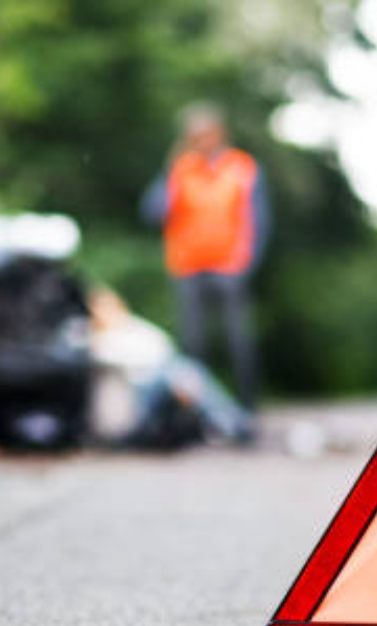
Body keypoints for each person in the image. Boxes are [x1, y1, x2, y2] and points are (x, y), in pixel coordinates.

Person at [140, 103, 270, 410]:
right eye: (195, 136)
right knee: (193, 345)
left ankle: (247, 410)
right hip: (188, 267)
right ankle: (199, 413)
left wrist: (247, 263)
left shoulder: (243, 167)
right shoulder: (180, 169)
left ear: (221, 133)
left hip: (230, 266)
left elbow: (259, 219)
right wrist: (169, 171)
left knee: (239, 342)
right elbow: (153, 212)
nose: (203, 141)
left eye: (207, 134)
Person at [87, 287, 253, 448]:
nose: (107, 312)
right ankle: (231, 421)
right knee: (184, 372)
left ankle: (226, 421)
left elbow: (163, 346)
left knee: (186, 370)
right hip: (142, 388)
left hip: (163, 374)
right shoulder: (96, 338)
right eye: (101, 308)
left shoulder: (133, 326)